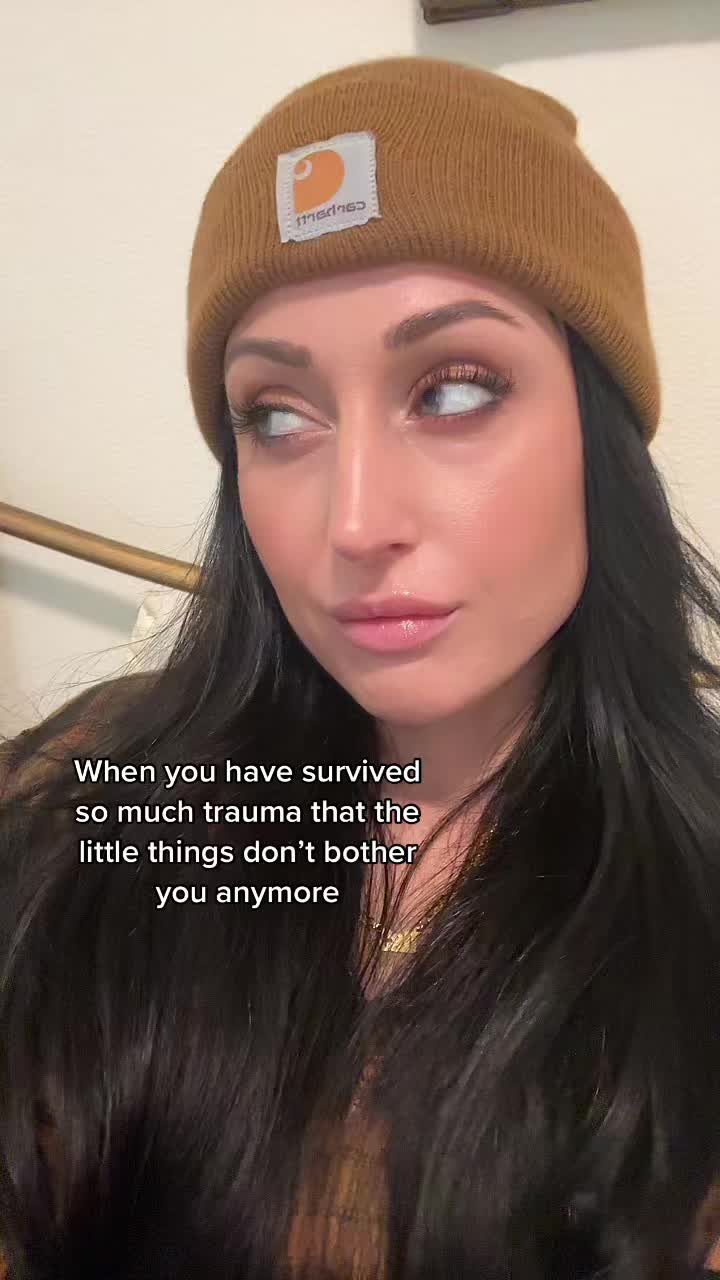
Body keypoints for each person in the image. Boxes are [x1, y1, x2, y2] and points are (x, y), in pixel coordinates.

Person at [1, 52, 720, 1280]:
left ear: (597, 431)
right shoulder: (80, 796)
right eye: (276, 415)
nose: (354, 520)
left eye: (454, 390)